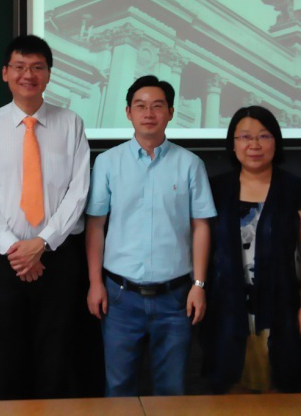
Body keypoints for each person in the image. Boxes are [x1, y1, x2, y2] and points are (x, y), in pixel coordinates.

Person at [0, 34, 90, 400]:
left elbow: (78, 192)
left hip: (58, 258)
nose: (28, 75)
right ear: (5, 73)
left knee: (56, 355)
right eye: (19, 67)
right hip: (3, 260)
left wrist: (42, 243)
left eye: (37, 67)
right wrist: (15, 249)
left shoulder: (71, 123)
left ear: (48, 74)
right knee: (6, 357)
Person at [85, 76, 215, 396]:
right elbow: (96, 226)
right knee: (118, 387)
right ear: (128, 112)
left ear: (170, 112)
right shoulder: (107, 162)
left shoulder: (190, 164)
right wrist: (95, 283)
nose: (149, 113)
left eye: (157, 106)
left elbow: (201, 226)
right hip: (120, 296)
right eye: (140, 106)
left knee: (172, 388)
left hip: (175, 298)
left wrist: (199, 285)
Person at [201, 105, 301, 394]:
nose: (254, 144)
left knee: (281, 387)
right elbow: (201, 242)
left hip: (281, 305)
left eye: (264, 136)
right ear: (233, 144)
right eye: (244, 137)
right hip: (226, 305)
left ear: (276, 142)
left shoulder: (296, 188)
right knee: (227, 389)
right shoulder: (215, 188)